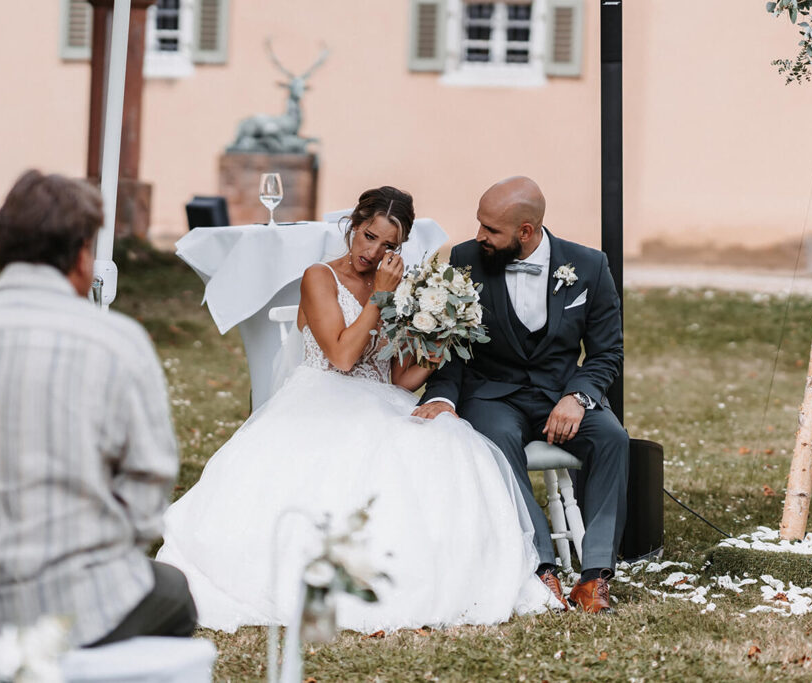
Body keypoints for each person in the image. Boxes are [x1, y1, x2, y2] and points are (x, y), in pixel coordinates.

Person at [156, 186, 554, 633]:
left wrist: (437, 344)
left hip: (384, 401)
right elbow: (343, 357)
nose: (373, 252)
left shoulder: (401, 287)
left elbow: (400, 379)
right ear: (353, 226)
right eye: (368, 237)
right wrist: (380, 298)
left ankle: (430, 569)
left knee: (448, 445)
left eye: (389, 246)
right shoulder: (319, 277)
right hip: (323, 398)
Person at [0, 170, 196, 647]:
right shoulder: (117, 341)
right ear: (84, 253)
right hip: (79, 609)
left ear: (1, 245)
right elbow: (148, 486)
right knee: (174, 593)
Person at [415, 176, 628, 614]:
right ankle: (540, 566)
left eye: (491, 230)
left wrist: (579, 396)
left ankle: (594, 577)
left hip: (561, 395)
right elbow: (453, 345)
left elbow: (608, 352)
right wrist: (443, 399)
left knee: (613, 440)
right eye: (480, 225)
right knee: (495, 442)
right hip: (494, 397)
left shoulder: (589, 266)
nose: (479, 237)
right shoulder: (466, 260)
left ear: (526, 232)